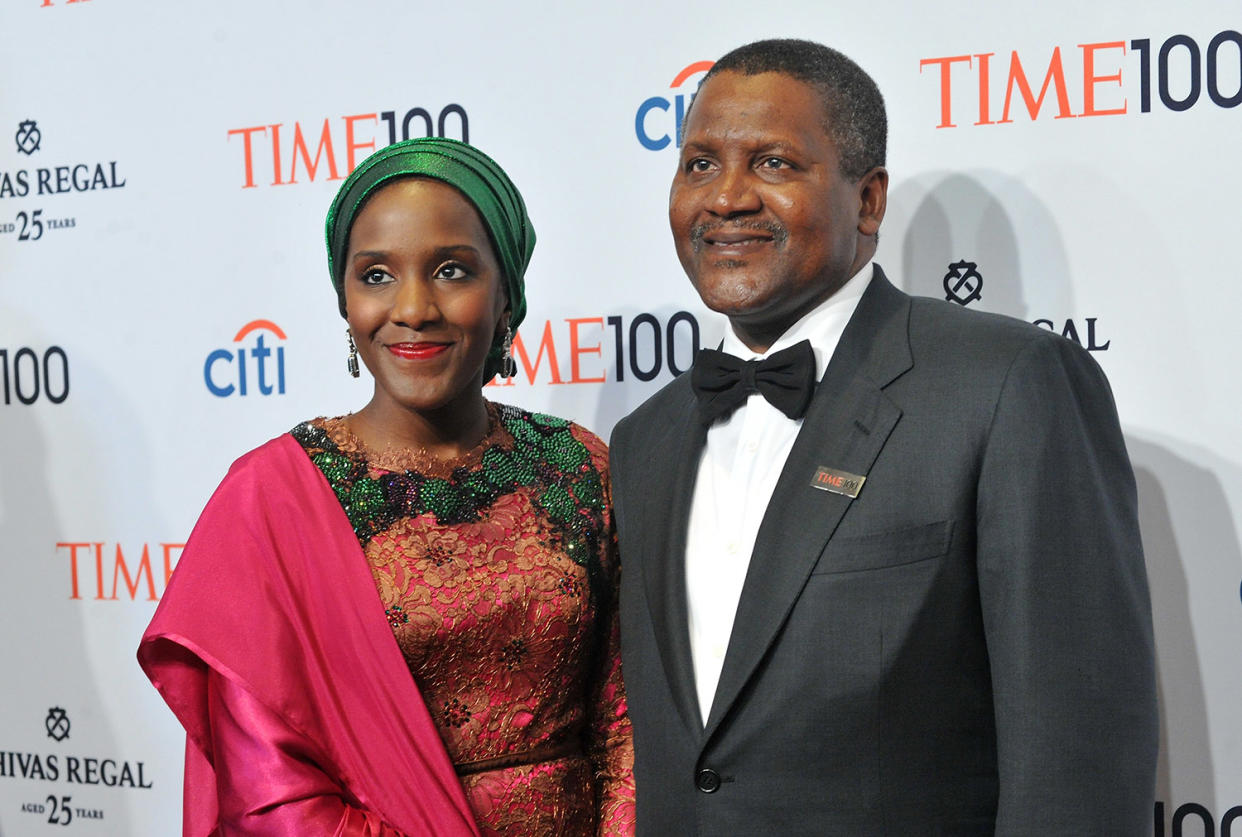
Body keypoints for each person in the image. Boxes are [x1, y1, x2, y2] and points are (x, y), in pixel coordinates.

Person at [609, 39, 1157, 835]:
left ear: (867, 201)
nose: (724, 197)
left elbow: (1077, 763)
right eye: (698, 164)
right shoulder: (643, 438)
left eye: (771, 163)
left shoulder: (1006, 386)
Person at [139, 137, 635, 836]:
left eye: (452, 270)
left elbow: (629, 714)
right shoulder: (272, 499)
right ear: (344, 299)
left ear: (506, 295)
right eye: (375, 275)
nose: (412, 308)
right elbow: (272, 797)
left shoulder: (580, 466)